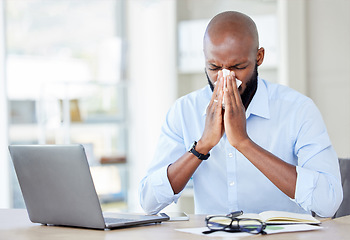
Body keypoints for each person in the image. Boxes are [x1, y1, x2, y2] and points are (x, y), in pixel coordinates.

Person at [139, 11, 343, 217]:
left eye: (238, 67)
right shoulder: (184, 110)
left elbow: (327, 204)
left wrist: (244, 143)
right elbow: (149, 202)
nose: (225, 78)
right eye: (214, 67)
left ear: (259, 57)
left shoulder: (298, 109)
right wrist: (202, 146)